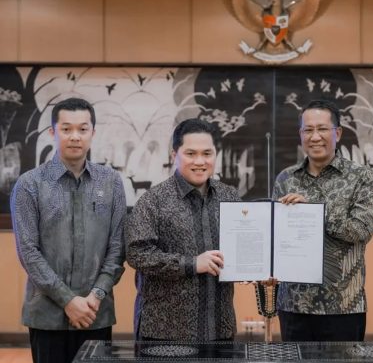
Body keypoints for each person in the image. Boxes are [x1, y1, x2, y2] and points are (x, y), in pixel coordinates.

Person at [11, 97, 126, 363]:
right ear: (53, 132)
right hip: (47, 316)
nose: (75, 136)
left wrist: (96, 295)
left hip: (95, 313)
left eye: (82, 129)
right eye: (66, 129)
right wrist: (68, 301)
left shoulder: (111, 182)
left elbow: (118, 247)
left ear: (93, 132)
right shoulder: (29, 184)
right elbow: (28, 252)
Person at [273, 99, 373, 341]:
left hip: (344, 306)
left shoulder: (361, 177)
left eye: (322, 129)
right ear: (300, 135)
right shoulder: (286, 179)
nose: (315, 137)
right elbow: (276, 235)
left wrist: (314, 212)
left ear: (337, 133)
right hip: (293, 304)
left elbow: (361, 230)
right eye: (308, 130)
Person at [125, 118, 240, 341]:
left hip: (220, 328)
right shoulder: (152, 201)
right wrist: (192, 264)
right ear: (174, 155)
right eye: (190, 153)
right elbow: (137, 254)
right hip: (164, 331)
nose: (200, 161)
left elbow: (243, 245)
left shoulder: (230, 197)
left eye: (207, 153)